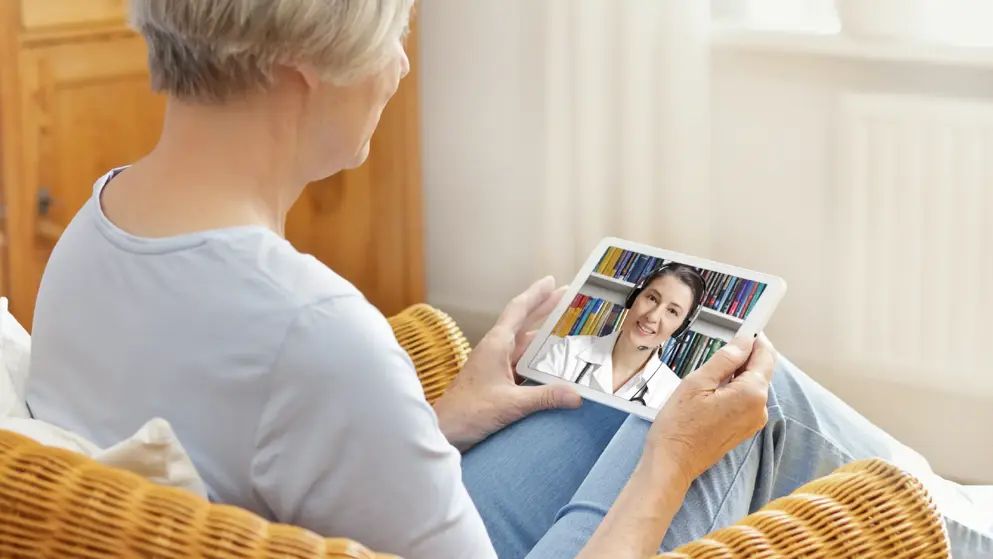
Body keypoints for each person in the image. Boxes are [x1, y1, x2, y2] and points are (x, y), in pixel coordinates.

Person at [22, 1, 991, 559]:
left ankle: (962, 508)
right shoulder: (314, 333)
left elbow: (243, 452)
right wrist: (671, 466)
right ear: (299, 68)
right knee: (740, 407)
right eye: (389, 28)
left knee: (625, 389)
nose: (402, 64)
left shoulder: (96, 233)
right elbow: (294, 383)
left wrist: (436, 421)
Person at [533, 263, 706, 409]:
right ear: (634, 297)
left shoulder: (674, 395)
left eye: (672, 311)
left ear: (681, 327)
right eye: (652, 298)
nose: (652, 317)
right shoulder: (568, 351)